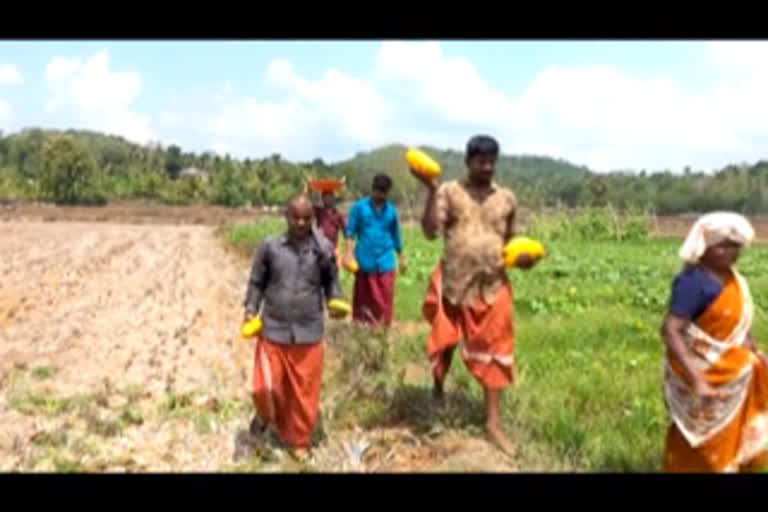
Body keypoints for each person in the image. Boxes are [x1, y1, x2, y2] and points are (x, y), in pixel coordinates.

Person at [411, 135, 534, 456]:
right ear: (468, 162)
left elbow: (512, 245)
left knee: (497, 350)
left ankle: (492, 424)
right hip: (454, 283)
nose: (487, 166)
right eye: (481, 160)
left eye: (492, 160)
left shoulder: (506, 198)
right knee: (445, 343)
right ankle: (437, 391)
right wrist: (429, 189)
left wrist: (524, 261)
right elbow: (428, 232)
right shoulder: (450, 192)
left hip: (492, 285)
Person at [661, 211, 768, 473]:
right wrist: (697, 378)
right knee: (699, 439)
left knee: (732, 430)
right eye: (723, 245)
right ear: (705, 246)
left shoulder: (734, 280)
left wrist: (755, 351)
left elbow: (739, 324)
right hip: (700, 371)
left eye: (736, 246)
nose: (731, 252)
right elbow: (671, 330)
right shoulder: (693, 282)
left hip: (732, 374)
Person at [242, 194, 344, 462]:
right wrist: (250, 310)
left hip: (308, 331)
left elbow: (333, 283)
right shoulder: (270, 247)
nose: (300, 222)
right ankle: (263, 418)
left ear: (313, 218)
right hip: (273, 328)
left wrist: (336, 302)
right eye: (295, 217)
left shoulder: (323, 250)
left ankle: (297, 440)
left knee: (304, 392)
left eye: (306, 218)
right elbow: (256, 283)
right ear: (286, 216)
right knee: (266, 386)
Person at [343, 173, 406, 328]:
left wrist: (401, 257)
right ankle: (361, 327)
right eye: (378, 191)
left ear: (388, 192)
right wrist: (349, 253)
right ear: (372, 190)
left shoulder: (391, 211)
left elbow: (396, 235)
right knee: (363, 297)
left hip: (385, 261)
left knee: (384, 297)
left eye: (384, 192)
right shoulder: (359, 208)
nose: (380, 195)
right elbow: (350, 232)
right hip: (365, 260)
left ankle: (382, 329)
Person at [304, 179, 346, 268]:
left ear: (333, 198)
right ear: (322, 199)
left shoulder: (339, 215)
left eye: (330, 197)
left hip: (333, 249)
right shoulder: (319, 211)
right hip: (319, 247)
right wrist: (307, 188)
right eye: (325, 197)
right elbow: (305, 203)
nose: (328, 199)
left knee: (332, 274)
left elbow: (346, 232)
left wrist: (345, 252)